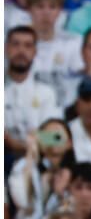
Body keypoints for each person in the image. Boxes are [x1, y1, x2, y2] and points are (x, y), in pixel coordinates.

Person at [8, 119, 75, 219]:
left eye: (57, 136)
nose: (52, 140)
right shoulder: (23, 166)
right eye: (47, 136)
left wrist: (60, 194)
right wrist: (30, 156)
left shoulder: (77, 175)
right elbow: (22, 201)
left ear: (69, 143)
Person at [26, 0, 84, 108]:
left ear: (60, 11)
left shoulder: (74, 43)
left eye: (52, 7)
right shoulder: (15, 43)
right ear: (29, 9)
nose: (46, 13)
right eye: (40, 6)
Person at [5, 26, 61, 157]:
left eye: (28, 46)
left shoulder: (47, 93)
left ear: (35, 52)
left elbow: (56, 138)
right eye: (15, 44)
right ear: (6, 48)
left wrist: (17, 144)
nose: (21, 51)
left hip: (37, 159)